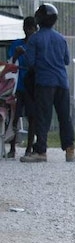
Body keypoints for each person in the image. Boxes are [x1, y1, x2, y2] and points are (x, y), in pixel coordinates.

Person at [20, 3, 75, 163]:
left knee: (43, 117)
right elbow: (66, 60)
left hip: (44, 82)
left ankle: (41, 151)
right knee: (64, 116)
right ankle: (70, 151)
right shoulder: (61, 38)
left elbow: (30, 62)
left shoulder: (34, 39)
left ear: (39, 19)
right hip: (62, 82)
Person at [4, 16, 38, 158]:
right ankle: (12, 147)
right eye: (26, 27)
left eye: (31, 28)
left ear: (36, 29)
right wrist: (17, 54)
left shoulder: (36, 45)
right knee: (15, 117)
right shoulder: (16, 44)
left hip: (32, 87)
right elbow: (10, 63)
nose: (29, 31)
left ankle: (29, 148)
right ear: (23, 28)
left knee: (32, 117)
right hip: (18, 87)